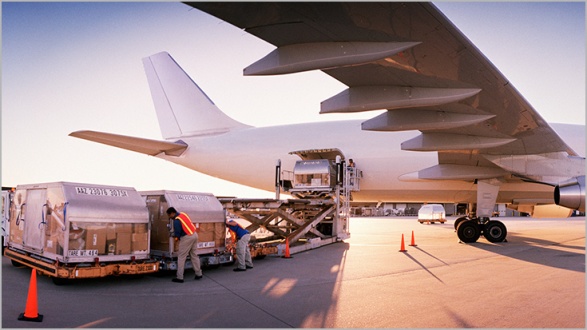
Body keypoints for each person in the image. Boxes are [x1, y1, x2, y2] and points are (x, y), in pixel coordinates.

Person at [167, 207, 203, 283]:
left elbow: (178, 233)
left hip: (187, 237)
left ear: (172, 213)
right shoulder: (183, 214)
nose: (169, 217)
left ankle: (180, 277)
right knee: (194, 255)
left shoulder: (176, 221)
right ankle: (198, 273)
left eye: (169, 215)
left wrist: (175, 237)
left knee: (181, 257)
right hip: (194, 234)